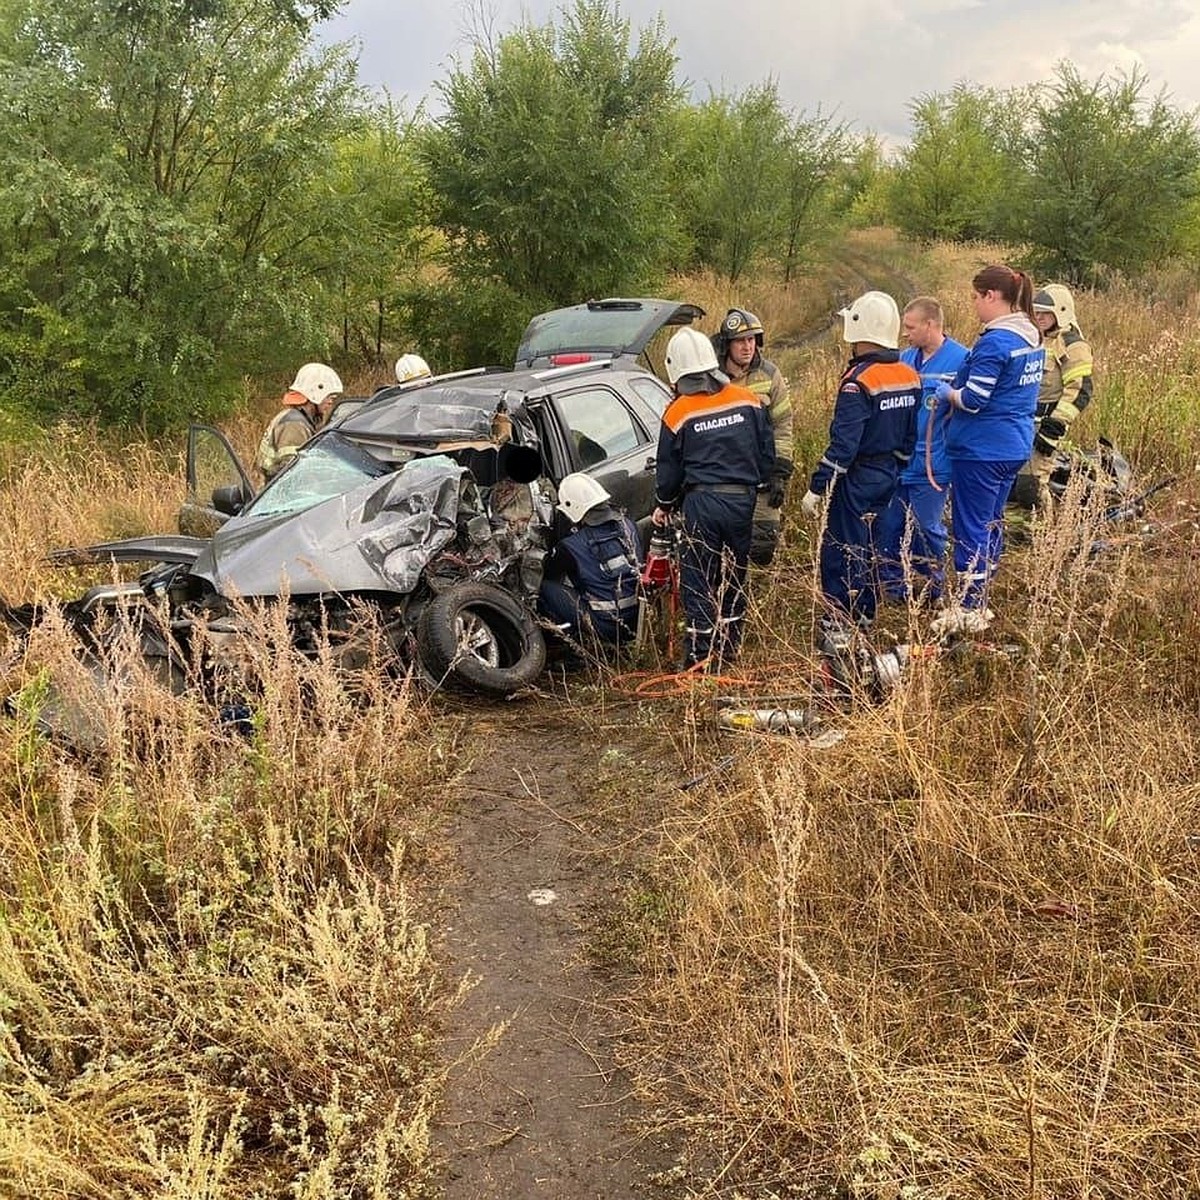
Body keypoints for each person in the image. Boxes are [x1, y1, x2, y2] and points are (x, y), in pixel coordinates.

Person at [799, 291, 920, 650]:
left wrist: (818, 486)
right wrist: (895, 468)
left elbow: (844, 446)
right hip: (890, 475)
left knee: (843, 549)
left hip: (857, 477)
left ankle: (839, 623)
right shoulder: (908, 374)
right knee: (873, 546)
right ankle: (865, 614)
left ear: (857, 328)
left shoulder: (859, 381)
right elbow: (911, 437)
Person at [930, 265, 1044, 636]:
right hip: (1013, 444)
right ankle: (982, 595)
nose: (974, 305)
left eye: (976, 297)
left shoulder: (996, 341)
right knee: (992, 521)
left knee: (971, 525)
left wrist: (947, 393)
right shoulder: (1031, 336)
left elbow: (975, 399)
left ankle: (969, 606)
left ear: (992, 296)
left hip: (982, 448)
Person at [653, 325, 775, 671]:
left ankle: (700, 656)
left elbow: (668, 473)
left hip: (702, 504)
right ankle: (730, 647)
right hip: (743, 501)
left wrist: (665, 505)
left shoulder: (678, 412)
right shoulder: (747, 399)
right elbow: (765, 453)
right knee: (735, 574)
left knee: (699, 578)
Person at [874, 297, 968, 604]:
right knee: (888, 524)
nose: (905, 333)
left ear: (930, 325)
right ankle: (892, 588)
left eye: (910, 327)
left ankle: (932, 589)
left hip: (933, 462)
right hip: (899, 461)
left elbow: (970, 409)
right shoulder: (904, 358)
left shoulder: (961, 361)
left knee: (927, 528)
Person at [712, 308, 794, 565]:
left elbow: (783, 424)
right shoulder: (712, 378)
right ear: (727, 345)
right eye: (740, 341)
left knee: (762, 546)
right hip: (722, 477)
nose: (747, 347)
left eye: (751, 340)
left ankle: (754, 599)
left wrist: (780, 472)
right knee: (720, 549)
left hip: (761, 477)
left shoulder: (769, 375)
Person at [537, 474, 642, 653]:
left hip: (605, 625)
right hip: (637, 618)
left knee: (544, 587)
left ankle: (572, 647)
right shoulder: (628, 526)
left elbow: (549, 573)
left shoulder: (570, 546)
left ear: (573, 508)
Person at [1017, 284, 1094, 512]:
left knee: (1031, 484)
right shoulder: (1032, 339)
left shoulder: (1072, 344)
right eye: (1036, 312)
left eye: (1045, 313)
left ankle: (1041, 535)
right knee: (1013, 483)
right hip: (1020, 421)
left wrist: (1055, 426)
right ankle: (1020, 535)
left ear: (1060, 312)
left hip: (1045, 425)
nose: (1038, 317)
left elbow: (1080, 390)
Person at [255, 362, 344, 483]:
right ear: (315, 393)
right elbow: (294, 475)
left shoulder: (299, 418)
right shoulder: (294, 426)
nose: (330, 402)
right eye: (329, 397)